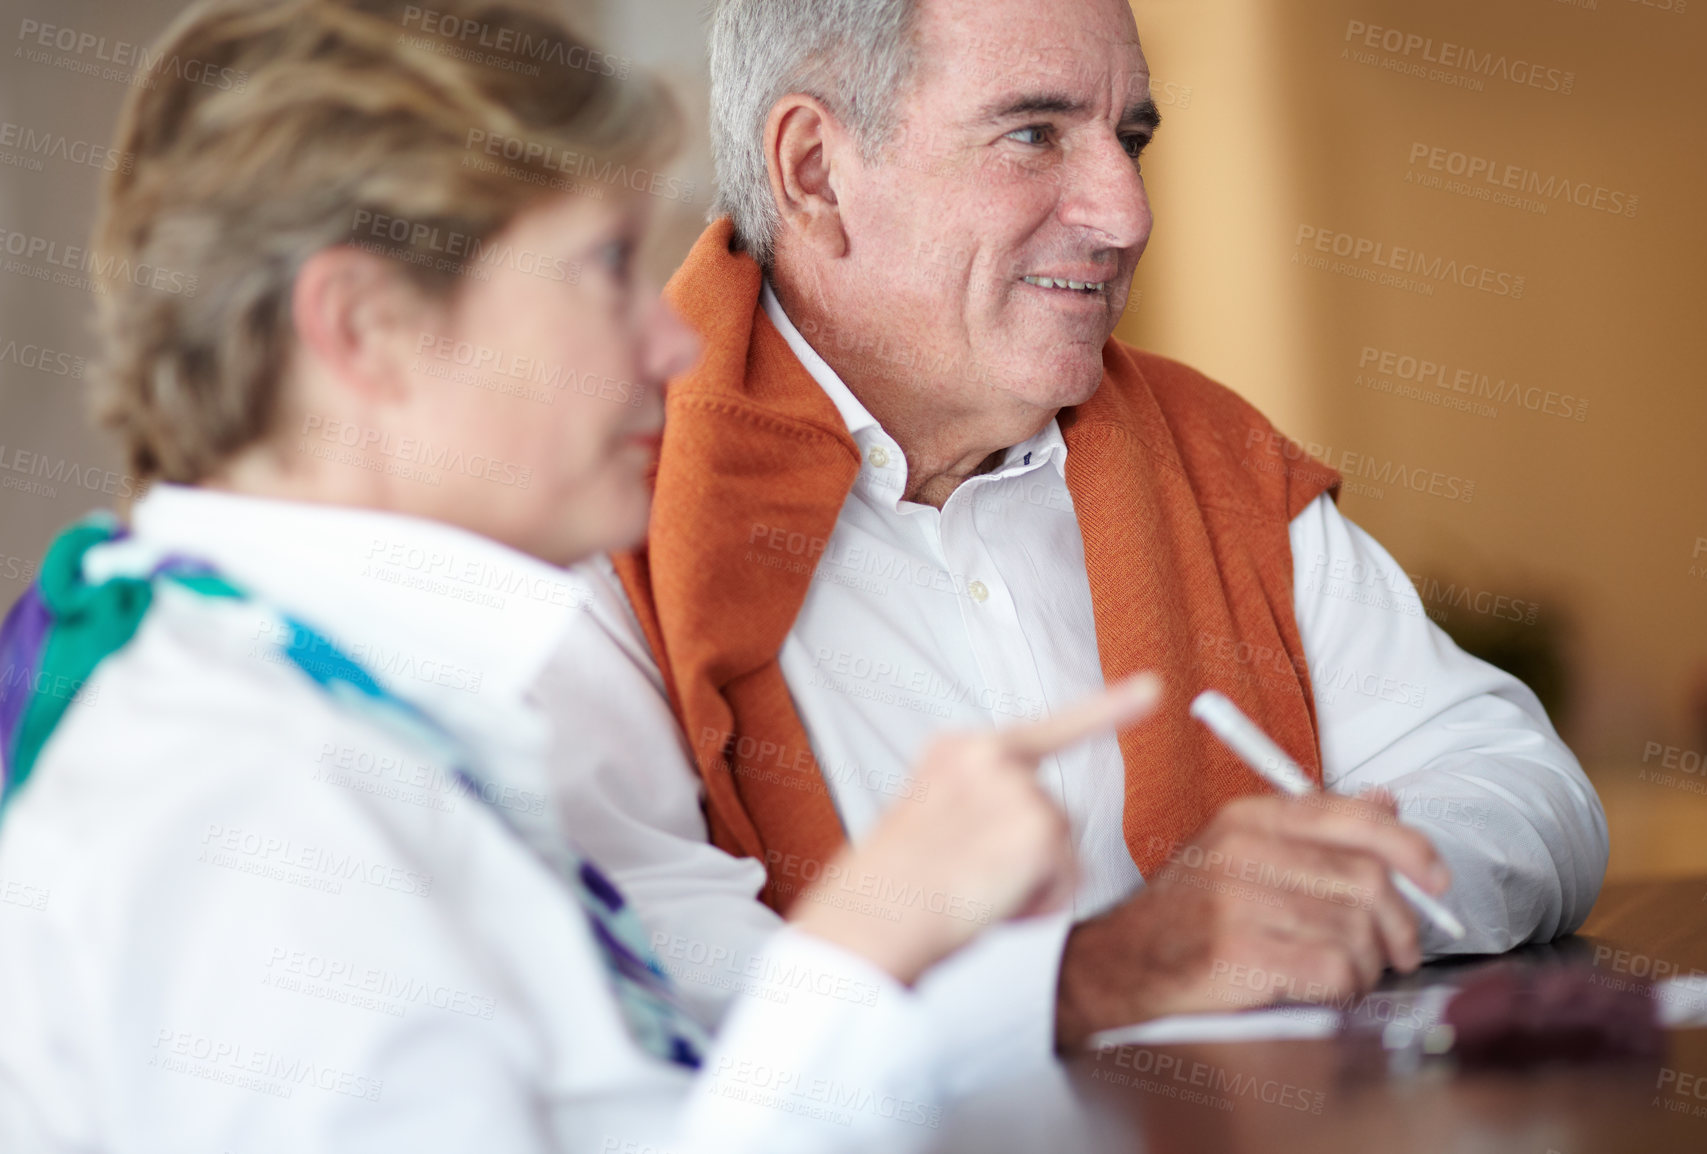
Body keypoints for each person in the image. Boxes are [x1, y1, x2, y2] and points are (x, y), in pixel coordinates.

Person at [0, 2, 1160, 1151]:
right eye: (605, 268)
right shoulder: (240, 801)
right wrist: (857, 949)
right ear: (365, 327)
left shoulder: (371, 695)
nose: (672, 343)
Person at [542, 0, 1611, 1084]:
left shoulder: (1209, 453)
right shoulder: (586, 500)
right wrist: (1097, 973)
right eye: (1033, 132)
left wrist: (1342, 892)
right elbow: (657, 990)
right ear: (816, 170)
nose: (1126, 212)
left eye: (1130, 139)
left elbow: (1525, 786)